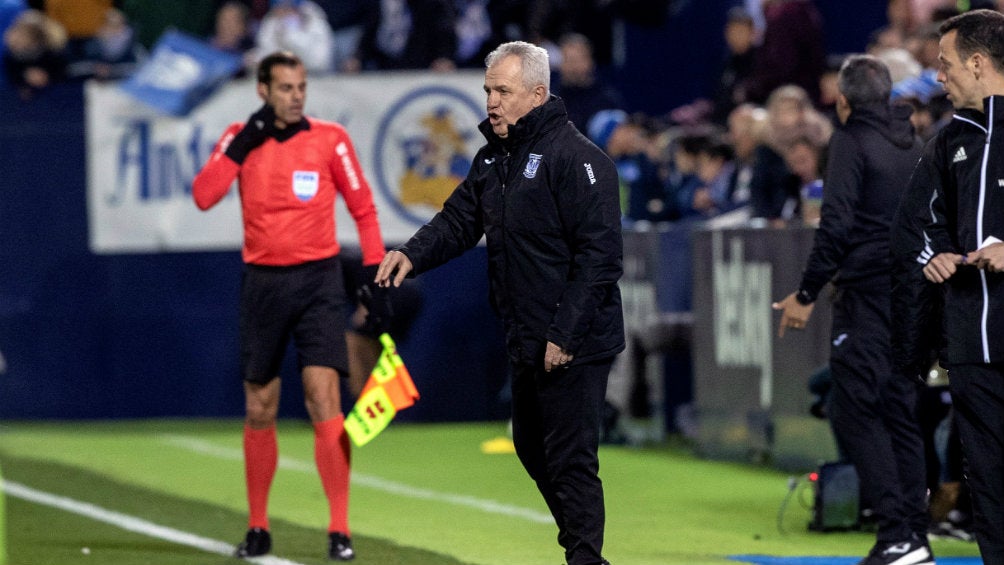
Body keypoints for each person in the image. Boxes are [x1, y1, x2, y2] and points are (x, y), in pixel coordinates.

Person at [375, 40, 624, 565]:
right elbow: (459, 221)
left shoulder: (579, 160)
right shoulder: (495, 158)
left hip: (573, 338)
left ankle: (584, 558)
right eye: (488, 89)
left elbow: (600, 259)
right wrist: (411, 256)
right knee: (533, 449)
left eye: (502, 91)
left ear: (537, 93)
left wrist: (565, 333)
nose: (491, 101)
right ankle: (585, 554)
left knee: (570, 458)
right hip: (525, 334)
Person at [191, 50, 391, 561]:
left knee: (324, 399)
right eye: (285, 88)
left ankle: (339, 530)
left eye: (301, 86)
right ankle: (258, 528)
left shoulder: (329, 138)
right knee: (260, 406)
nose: (296, 95)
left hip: (319, 282)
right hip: (262, 284)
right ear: (262, 90)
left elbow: (364, 206)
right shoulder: (241, 137)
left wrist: (370, 273)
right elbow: (204, 195)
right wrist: (245, 141)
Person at [772, 54, 932, 565]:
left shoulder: (850, 141)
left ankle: (895, 533)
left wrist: (805, 293)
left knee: (853, 408)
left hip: (866, 296)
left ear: (841, 101)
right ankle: (914, 537)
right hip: (911, 296)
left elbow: (835, 226)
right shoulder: (914, 143)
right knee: (900, 413)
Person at [909, 9, 1004, 563]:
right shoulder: (950, 143)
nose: (939, 77)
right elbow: (916, 226)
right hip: (972, 345)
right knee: (988, 483)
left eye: (945, 65)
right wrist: (935, 255)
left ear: (977, 62)